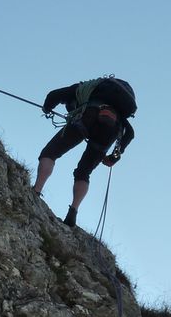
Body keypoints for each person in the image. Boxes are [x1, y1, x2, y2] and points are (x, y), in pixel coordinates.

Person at [33, 77, 136, 227]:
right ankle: (73, 211)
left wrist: (47, 107)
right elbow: (130, 134)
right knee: (83, 172)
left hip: (87, 116)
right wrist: (114, 158)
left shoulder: (84, 89)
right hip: (111, 130)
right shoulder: (121, 112)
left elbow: (54, 95)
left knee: (50, 153)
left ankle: (36, 191)